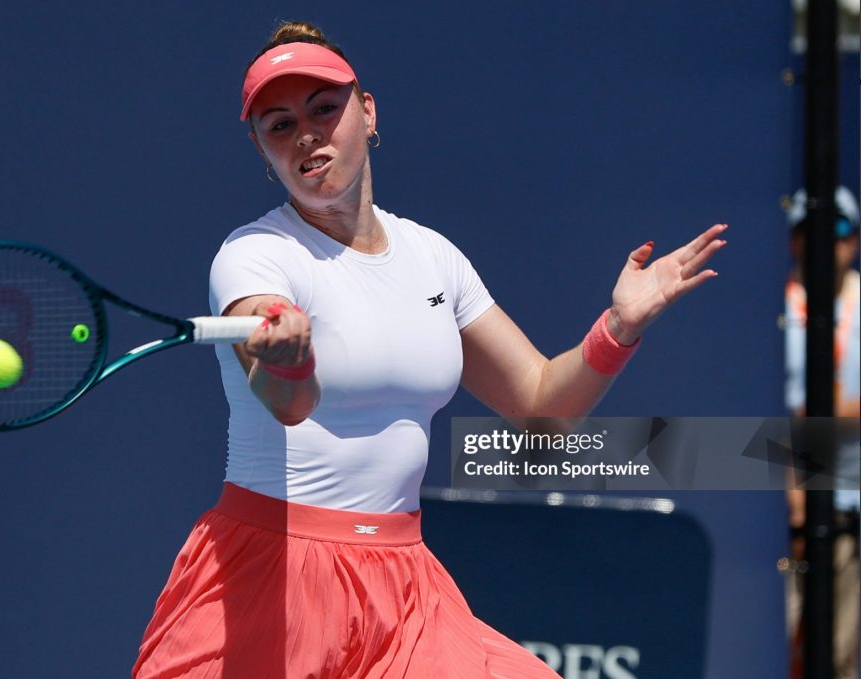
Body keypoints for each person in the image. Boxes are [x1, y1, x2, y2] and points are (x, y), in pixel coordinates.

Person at [132, 22, 727, 679]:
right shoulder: (255, 256)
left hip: (405, 591)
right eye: (279, 124)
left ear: (367, 111)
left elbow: (541, 411)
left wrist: (617, 327)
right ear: (261, 148)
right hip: (271, 577)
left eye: (324, 108)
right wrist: (287, 359)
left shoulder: (434, 259)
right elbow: (287, 403)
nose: (305, 133)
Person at [783, 185, 860, 679]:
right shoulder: (773, 311)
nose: (825, 242)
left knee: (835, 661)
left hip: (850, 513)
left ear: (853, 240)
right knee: (782, 652)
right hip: (783, 518)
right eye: (810, 230)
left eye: (838, 230)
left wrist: (825, 409)